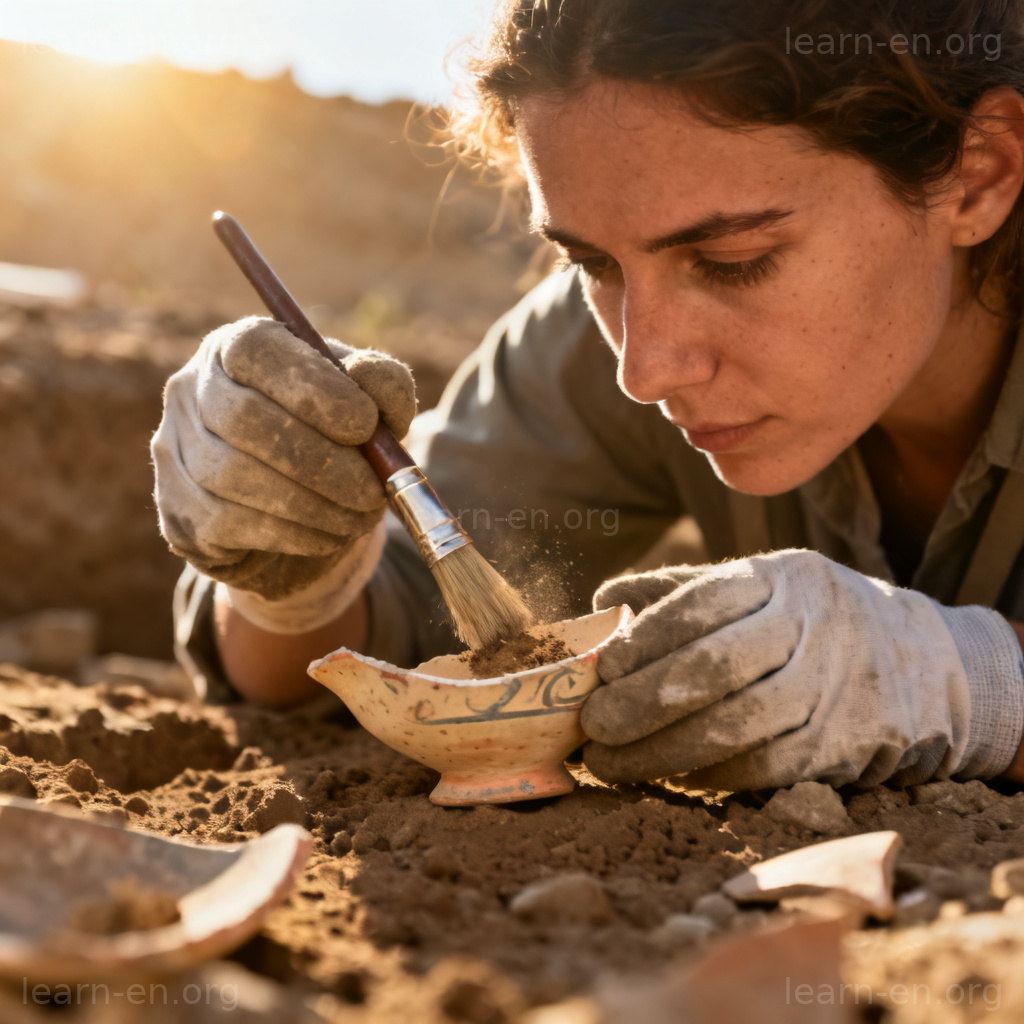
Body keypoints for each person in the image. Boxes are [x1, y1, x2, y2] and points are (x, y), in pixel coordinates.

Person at [153, 0, 1024, 793]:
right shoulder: (587, 343)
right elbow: (386, 643)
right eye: (592, 264)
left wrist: (978, 686)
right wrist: (289, 578)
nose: (643, 370)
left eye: (732, 261)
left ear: (977, 175)